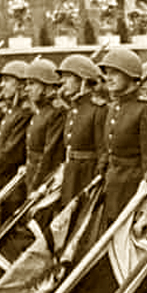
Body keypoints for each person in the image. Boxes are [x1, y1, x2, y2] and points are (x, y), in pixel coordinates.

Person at [97, 47, 147, 224]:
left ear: (130, 75)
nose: (109, 78)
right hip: (113, 183)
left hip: (133, 186)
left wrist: (145, 195)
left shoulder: (146, 109)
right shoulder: (114, 107)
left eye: (115, 73)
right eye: (107, 73)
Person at [0, 60, 33, 225]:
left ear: (20, 86)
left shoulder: (24, 113)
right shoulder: (12, 111)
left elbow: (11, 153)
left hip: (12, 187)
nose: (3, 85)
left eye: (8, 81)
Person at [58, 54, 107, 208]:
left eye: (68, 77)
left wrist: (96, 180)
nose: (63, 82)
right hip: (71, 172)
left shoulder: (98, 109)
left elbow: (102, 150)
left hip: (87, 175)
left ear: (82, 80)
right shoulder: (74, 108)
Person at [23, 57, 66, 195]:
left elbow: (49, 154)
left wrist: (37, 185)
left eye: (32, 83)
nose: (27, 88)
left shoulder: (57, 112)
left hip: (46, 181)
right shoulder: (41, 110)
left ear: (45, 86)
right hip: (33, 175)